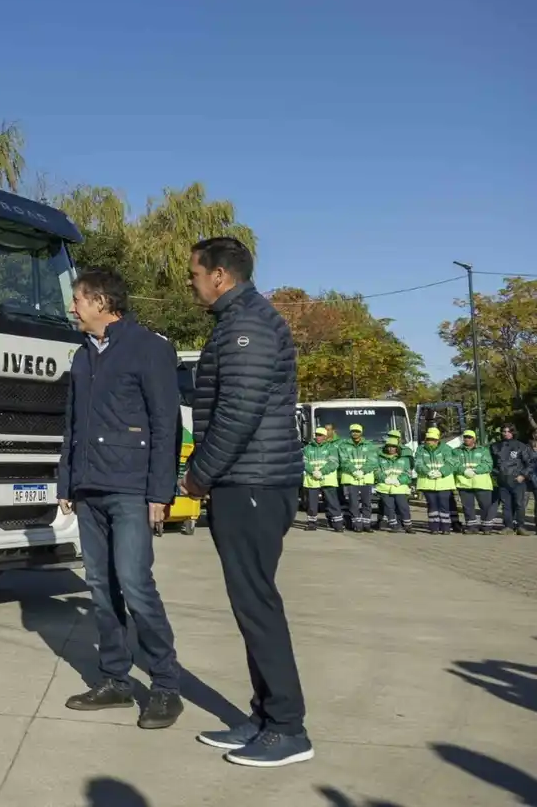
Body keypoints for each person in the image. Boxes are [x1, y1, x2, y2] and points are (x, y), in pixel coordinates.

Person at [181, 236, 312, 768]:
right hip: (250, 479)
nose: (191, 283)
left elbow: (238, 412)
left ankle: (287, 727)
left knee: (257, 604)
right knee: (249, 603)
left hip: (252, 482)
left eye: (195, 274)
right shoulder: (240, 321)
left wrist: (200, 474)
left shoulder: (246, 327)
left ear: (220, 276)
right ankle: (263, 716)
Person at [56, 267, 185, 729]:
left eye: (79, 299)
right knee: (100, 586)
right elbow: (72, 425)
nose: (74, 307)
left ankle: (166, 687)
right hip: (89, 490)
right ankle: (114, 680)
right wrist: (67, 481)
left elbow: (166, 423)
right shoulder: (81, 355)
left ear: (101, 301)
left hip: (131, 488)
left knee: (135, 584)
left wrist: (159, 491)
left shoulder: (149, 348)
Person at [414, 428, 458, 535]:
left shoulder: (446, 449)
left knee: (444, 505)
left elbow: (451, 463)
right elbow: (418, 463)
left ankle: (446, 527)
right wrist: (427, 472)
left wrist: (441, 472)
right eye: (428, 439)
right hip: (427, 482)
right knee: (432, 505)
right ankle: (434, 527)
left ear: (437, 440)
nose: (430, 441)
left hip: (444, 482)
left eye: (433, 439)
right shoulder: (421, 449)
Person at [337, 424, 379, 533]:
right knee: (353, 503)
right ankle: (357, 524)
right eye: (353, 431)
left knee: (367, 503)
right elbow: (343, 460)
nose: (355, 433)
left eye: (357, 431)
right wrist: (354, 471)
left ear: (361, 432)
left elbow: (373, 461)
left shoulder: (369, 445)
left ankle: (366, 524)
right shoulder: (344, 445)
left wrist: (363, 471)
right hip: (351, 478)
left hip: (366, 478)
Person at [301, 427, 344, 532]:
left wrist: (321, 472)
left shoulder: (331, 448)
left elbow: (334, 463)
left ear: (325, 436)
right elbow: (303, 462)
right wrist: (312, 471)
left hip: (327, 479)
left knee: (332, 503)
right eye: (317, 435)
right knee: (312, 503)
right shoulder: (307, 448)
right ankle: (312, 524)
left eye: (320, 435)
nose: (318, 437)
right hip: (312, 479)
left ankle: (338, 525)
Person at [452, 430, 495, 535]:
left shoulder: (483, 450)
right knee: (467, 507)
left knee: (485, 506)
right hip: (464, 483)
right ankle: (471, 527)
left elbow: (488, 464)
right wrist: (464, 471)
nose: (467, 439)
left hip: (481, 483)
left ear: (474, 439)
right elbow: (454, 464)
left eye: (469, 437)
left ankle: (487, 527)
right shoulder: (457, 451)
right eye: (465, 437)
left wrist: (476, 470)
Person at [494, 425, 533, 535]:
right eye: (504, 431)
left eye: (508, 431)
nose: (506, 433)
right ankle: (508, 527)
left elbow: (530, 464)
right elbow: (492, 464)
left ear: (513, 432)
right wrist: (497, 474)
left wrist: (523, 475)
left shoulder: (521, 446)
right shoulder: (496, 446)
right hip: (503, 481)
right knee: (506, 505)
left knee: (519, 504)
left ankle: (520, 526)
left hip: (517, 480)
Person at [374, 434, 414, 533]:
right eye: (388, 446)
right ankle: (393, 525)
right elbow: (376, 471)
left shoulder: (404, 459)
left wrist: (399, 480)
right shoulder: (380, 458)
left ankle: (408, 526)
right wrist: (384, 479)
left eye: (393, 447)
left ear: (397, 448)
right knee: (389, 507)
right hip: (384, 487)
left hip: (399, 487)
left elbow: (408, 473)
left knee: (403, 506)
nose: (391, 449)